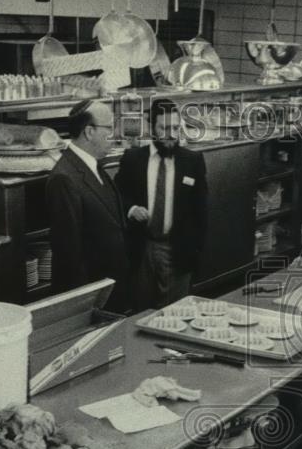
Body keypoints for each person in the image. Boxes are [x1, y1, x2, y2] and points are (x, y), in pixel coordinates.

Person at [115, 99, 207, 309]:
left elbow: (201, 213)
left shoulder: (192, 162)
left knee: (175, 314)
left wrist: (194, 253)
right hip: (142, 248)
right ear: (151, 128)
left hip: (177, 250)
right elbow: (117, 194)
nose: (171, 134)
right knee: (141, 311)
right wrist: (131, 209)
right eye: (164, 128)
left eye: (175, 127)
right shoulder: (133, 159)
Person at [46, 99, 129, 312]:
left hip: (111, 288)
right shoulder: (64, 178)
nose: (115, 134)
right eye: (109, 128)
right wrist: (83, 308)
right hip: (91, 299)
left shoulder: (92, 165)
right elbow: (69, 254)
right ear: (89, 132)